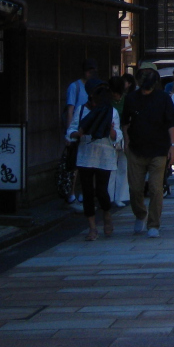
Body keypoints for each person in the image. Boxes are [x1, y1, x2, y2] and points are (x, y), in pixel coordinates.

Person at [121, 68, 174, 237]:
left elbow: (171, 123)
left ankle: (154, 224)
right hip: (136, 148)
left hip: (159, 149)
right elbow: (125, 122)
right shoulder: (131, 98)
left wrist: (173, 146)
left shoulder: (163, 98)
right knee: (135, 188)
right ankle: (140, 214)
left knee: (155, 188)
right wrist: (126, 140)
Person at [68, 78, 122, 239]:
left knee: (101, 190)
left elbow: (117, 136)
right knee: (87, 191)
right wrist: (77, 133)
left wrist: (111, 131)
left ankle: (107, 214)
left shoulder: (111, 111)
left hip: (105, 155)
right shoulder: (81, 110)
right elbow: (71, 130)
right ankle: (92, 227)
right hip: (85, 154)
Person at [63, 59, 97, 207]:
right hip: (78, 128)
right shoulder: (75, 86)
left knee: (90, 162)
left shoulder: (95, 87)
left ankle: (85, 192)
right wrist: (69, 132)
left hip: (91, 129)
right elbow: (70, 110)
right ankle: (71, 193)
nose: (90, 73)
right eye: (88, 71)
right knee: (75, 164)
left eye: (92, 71)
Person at [107, 75, 130, 208]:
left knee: (123, 167)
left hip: (124, 135)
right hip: (111, 136)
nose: (115, 95)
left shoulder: (127, 100)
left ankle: (121, 197)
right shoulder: (106, 101)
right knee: (110, 167)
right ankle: (109, 197)